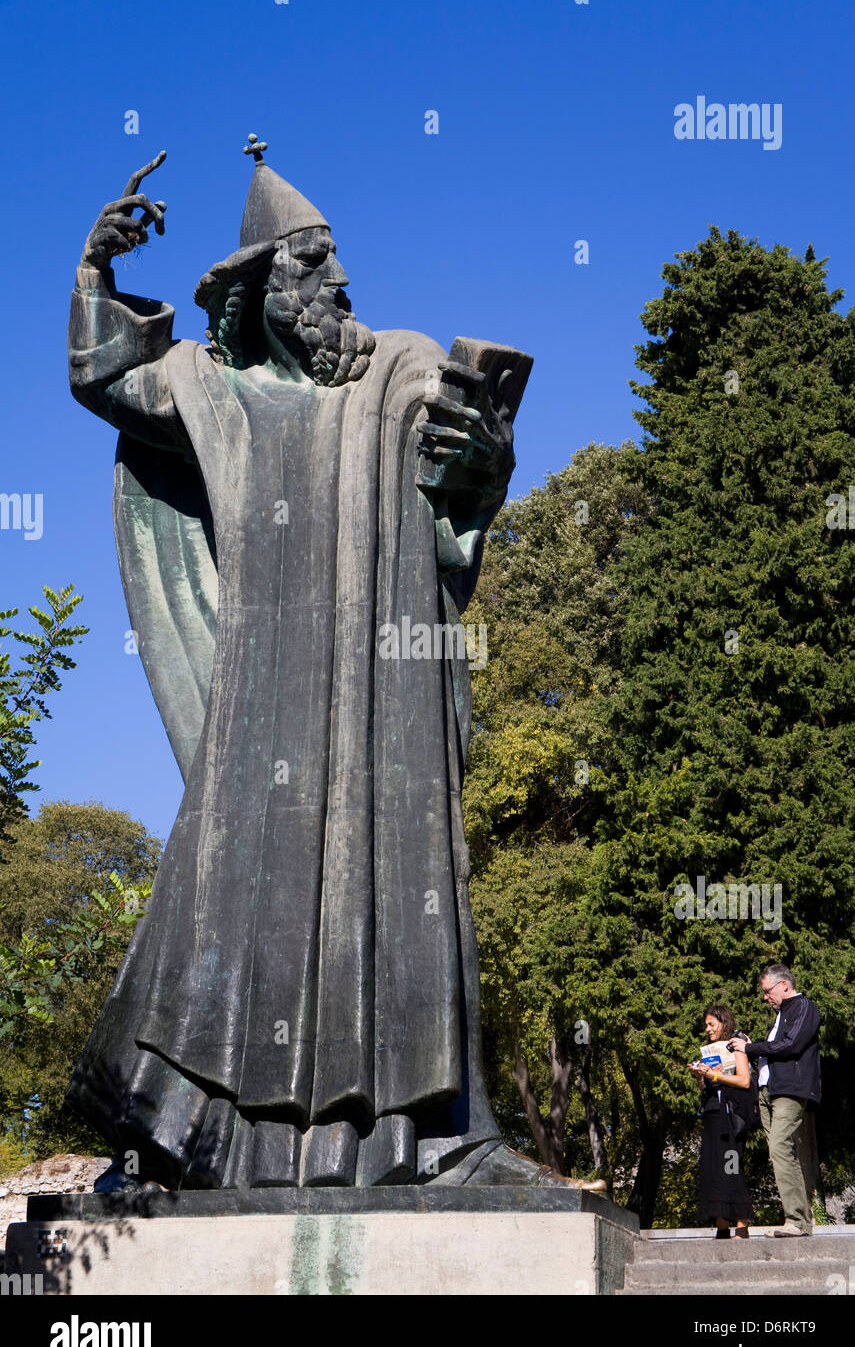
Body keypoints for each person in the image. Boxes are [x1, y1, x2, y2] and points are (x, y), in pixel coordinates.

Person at [64, 143, 550, 1191]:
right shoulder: (210, 387)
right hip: (263, 707)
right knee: (228, 896)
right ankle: (186, 1137)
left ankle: (440, 1135)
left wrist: (483, 450)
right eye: (312, 265)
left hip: (387, 704)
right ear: (263, 289)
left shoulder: (401, 366)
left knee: (408, 888)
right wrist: (94, 274)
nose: (337, 283)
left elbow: (469, 456)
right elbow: (105, 375)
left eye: (337, 263)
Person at [729, 964, 821, 1236]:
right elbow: (775, 1050)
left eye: (767, 991)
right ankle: (800, 1221)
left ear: (784, 985)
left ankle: (796, 1221)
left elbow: (791, 1045)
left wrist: (750, 1047)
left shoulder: (804, 1006)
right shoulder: (781, 1016)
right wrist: (750, 1046)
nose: (765, 997)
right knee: (780, 1153)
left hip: (790, 1091)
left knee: (780, 1147)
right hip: (769, 1092)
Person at [688, 1005, 754, 1240]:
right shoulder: (709, 1050)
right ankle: (721, 1224)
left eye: (711, 1024)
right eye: (706, 1025)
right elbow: (708, 1087)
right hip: (713, 1115)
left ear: (723, 1023)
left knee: (731, 1167)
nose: (708, 1029)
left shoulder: (737, 1044)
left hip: (732, 1118)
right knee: (713, 1168)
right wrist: (701, 1076)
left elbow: (744, 1080)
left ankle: (742, 1225)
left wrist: (715, 1074)